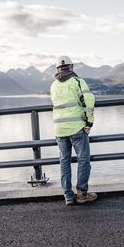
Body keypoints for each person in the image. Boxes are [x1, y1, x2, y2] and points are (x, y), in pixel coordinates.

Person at [50, 55, 97, 206]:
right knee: (83, 159)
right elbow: (88, 101)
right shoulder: (77, 81)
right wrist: (89, 121)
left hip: (59, 129)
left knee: (64, 161)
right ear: (71, 67)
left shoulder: (53, 86)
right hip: (76, 128)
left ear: (58, 69)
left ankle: (68, 196)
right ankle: (82, 193)